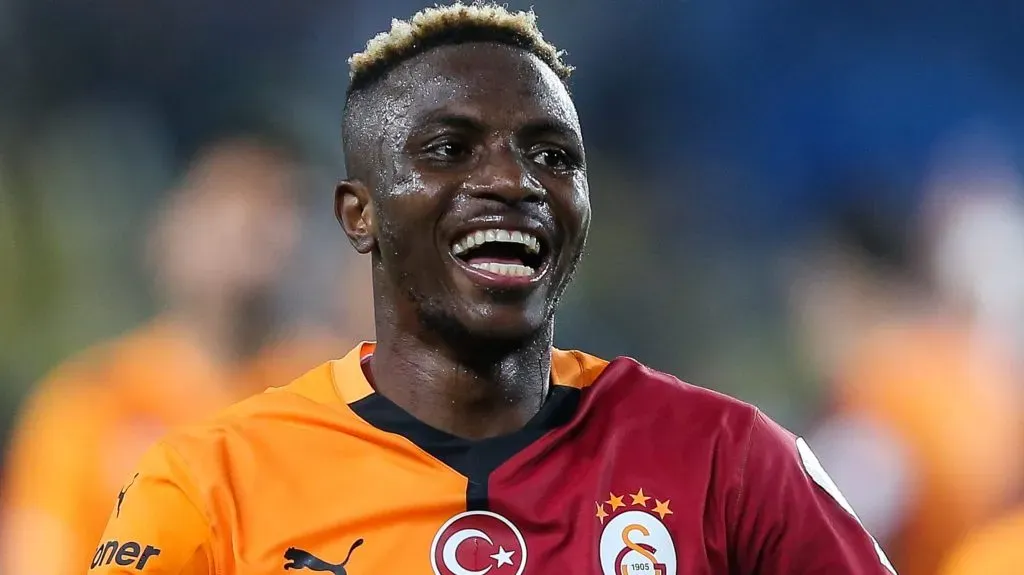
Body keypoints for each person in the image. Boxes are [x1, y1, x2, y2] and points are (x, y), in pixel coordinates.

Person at [88, 4, 897, 573]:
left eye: (553, 155)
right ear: (358, 214)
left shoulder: (729, 461)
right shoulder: (210, 485)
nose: (513, 180)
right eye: (449, 148)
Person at [0, 133, 306, 575]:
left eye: (277, 203)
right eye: (226, 202)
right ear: (168, 226)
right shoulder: (89, 403)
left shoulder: (331, 398)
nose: (250, 228)